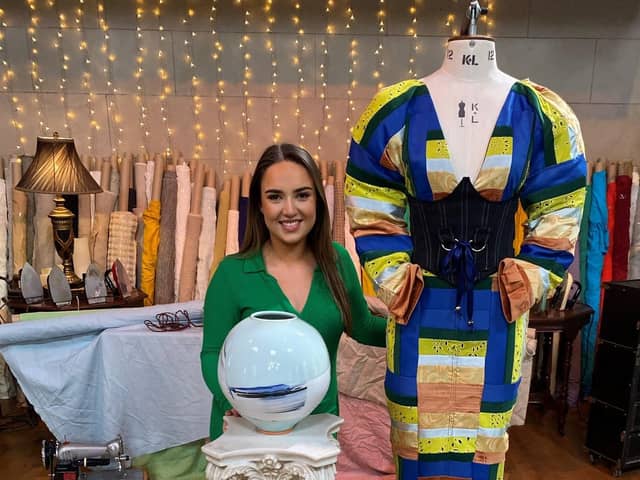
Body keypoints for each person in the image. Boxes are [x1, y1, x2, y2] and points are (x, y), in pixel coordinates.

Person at [345, 27, 587, 480]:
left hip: (498, 311)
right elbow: (370, 202)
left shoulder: (540, 114)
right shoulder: (395, 113)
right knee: (413, 436)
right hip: (416, 308)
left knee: (485, 439)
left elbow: (561, 208)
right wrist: (394, 275)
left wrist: (531, 279)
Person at [201, 143, 387, 440]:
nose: (290, 209)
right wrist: (234, 404)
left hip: (316, 429)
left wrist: (420, 327)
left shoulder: (338, 262)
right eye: (275, 197)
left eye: (302, 195)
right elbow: (212, 353)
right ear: (260, 205)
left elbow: (363, 327)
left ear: (317, 201)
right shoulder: (231, 274)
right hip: (245, 430)